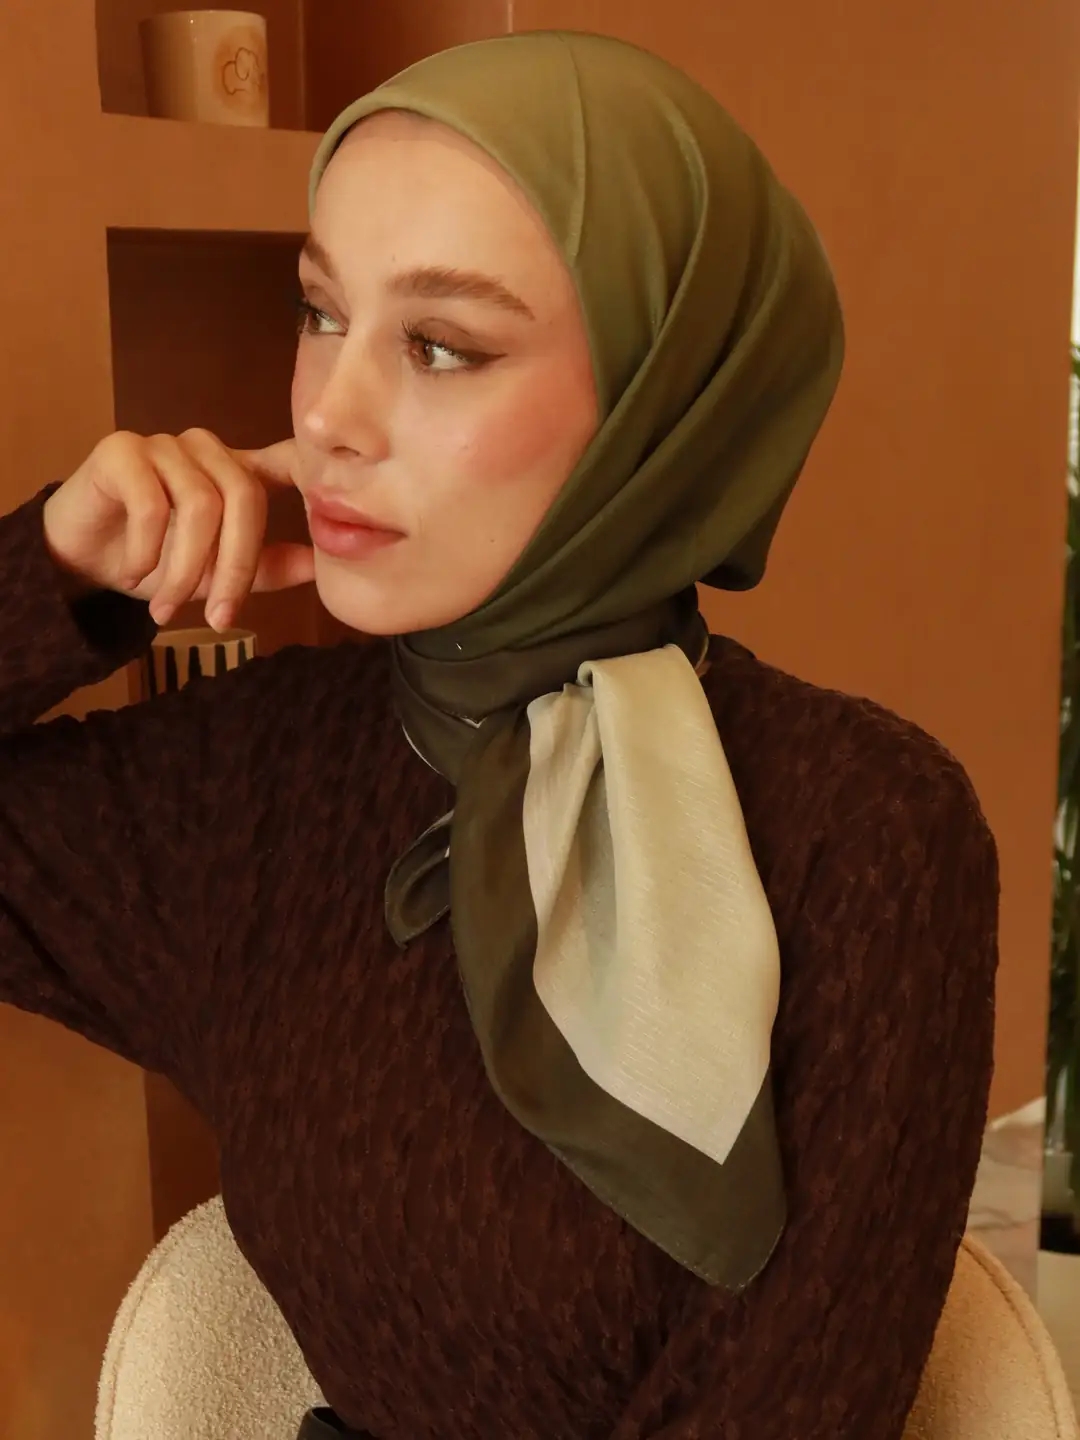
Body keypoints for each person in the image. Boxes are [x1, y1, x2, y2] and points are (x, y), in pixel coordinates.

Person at [0, 29, 997, 1440]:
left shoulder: (865, 830)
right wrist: (59, 571)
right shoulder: (247, 784)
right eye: (320, 312)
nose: (327, 416)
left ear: (660, 399)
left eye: (440, 347)